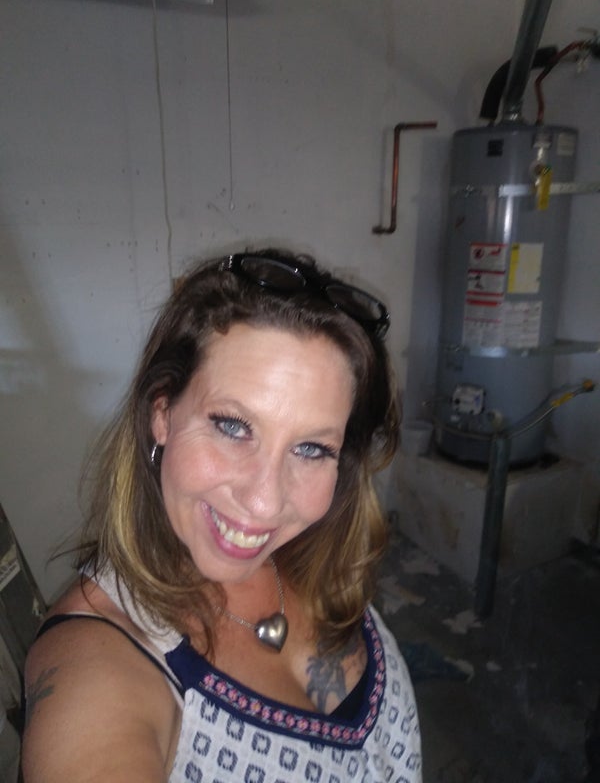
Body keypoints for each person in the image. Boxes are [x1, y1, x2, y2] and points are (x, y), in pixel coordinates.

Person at [22, 248, 422, 782]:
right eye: (233, 426)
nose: (264, 503)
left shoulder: (316, 558)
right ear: (162, 414)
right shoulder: (98, 661)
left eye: (311, 448)